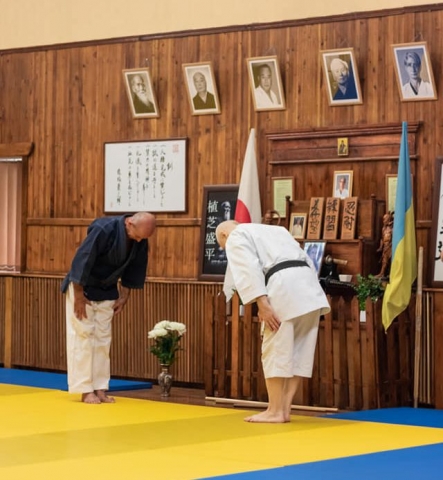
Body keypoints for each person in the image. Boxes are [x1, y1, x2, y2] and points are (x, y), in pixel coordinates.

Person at [216, 220, 330, 423]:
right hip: (309, 287)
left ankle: (275, 410)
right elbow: (307, 259)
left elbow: (247, 268)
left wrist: (262, 303)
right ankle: (284, 409)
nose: (226, 250)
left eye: (223, 247)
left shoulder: (236, 235)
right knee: (299, 350)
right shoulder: (278, 230)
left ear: (224, 234)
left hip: (283, 288)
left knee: (276, 348)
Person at [61, 212, 156, 404]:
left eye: (142, 238)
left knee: (103, 339)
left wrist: (125, 296)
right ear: (129, 223)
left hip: (107, 288)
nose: (139, 240)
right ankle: (85, 389)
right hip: (83, 286)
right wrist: (78, 295)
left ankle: (100, 388)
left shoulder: (140, 238)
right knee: (83, 336)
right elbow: (82, 259)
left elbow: (135, 268)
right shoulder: (104, 229)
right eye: (137, 235)